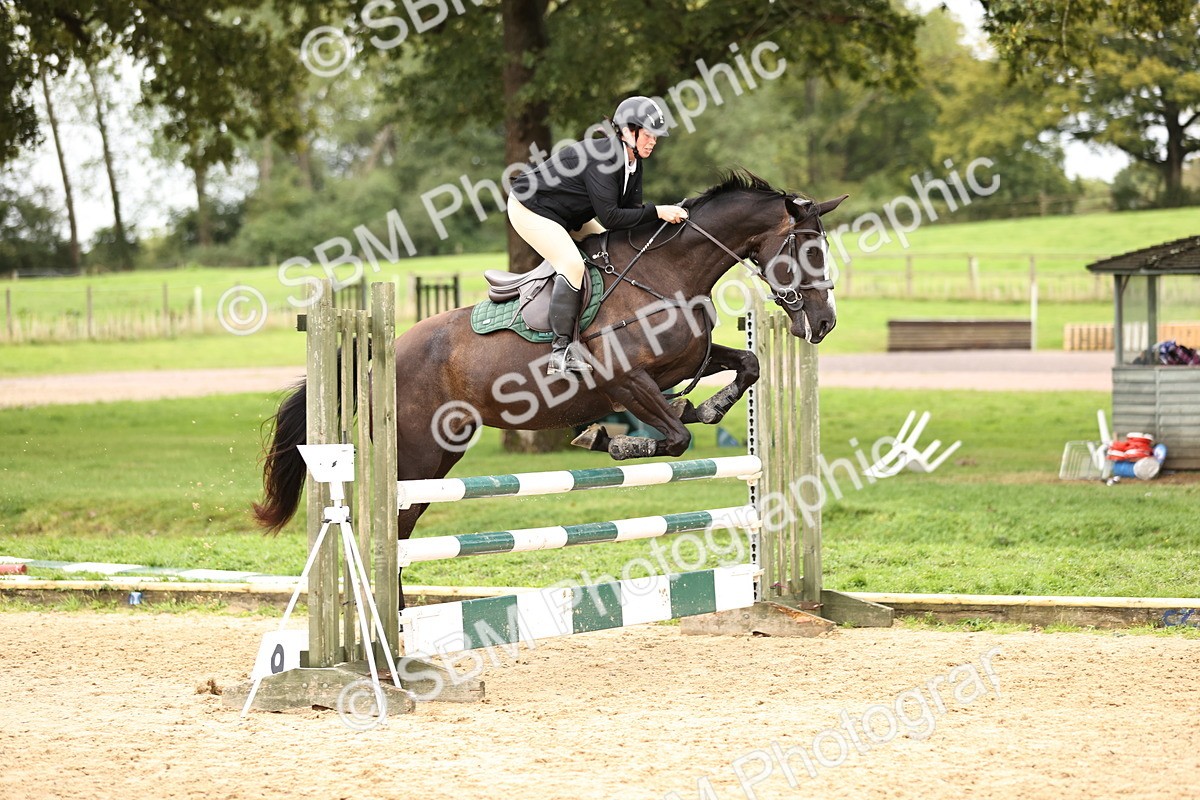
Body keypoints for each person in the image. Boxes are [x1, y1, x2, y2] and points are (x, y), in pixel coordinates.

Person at [507, 95, 689, 375]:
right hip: (530, 208)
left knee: (611, 250)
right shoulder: (604, 158)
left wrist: (664, 221)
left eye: (656, 136)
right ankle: (561, 350)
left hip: (568, 213)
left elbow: (630, 215)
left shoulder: (633, 162)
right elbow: (613, 217)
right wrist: (659, 212)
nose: (653, 141)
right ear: (628, 131)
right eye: (649, 134)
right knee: (571, 264)